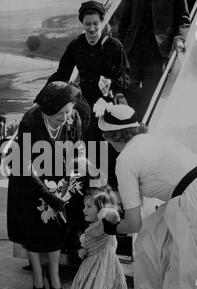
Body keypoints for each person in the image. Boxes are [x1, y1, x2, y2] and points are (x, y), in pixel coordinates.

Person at [95, 100, 197, 289]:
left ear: (112, 136)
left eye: (105, 136)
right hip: (192, 194)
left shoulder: (125, 159)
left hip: (192, 202)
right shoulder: (154, 138)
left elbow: (133, 223)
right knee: (152, 245)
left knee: (186, 284)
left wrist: (113, 226)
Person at [7, 81, 84, 289]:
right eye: (59, 114)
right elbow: (23, 162)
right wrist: (45, 193)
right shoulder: (31, 120)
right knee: (33, 228)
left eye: (67, 112)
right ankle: (38, 275)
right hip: (30, 181)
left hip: (60, 178)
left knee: (57, 227)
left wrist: (67, 184)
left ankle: (54, 274)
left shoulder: (73, 117)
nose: (65, 117)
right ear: (46, 112)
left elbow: (77, 151)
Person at [47, 0, 130, 187]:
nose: (92, 29)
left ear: (102, 22)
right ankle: (92, 198)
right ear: (82, 24)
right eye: (87, 24)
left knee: (111, 156)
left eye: (95, 23)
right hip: (86, 109)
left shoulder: (114, 46)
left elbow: (125, 78)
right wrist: (45, 94)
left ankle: (114, 197)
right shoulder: (76, 46)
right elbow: (62, 74)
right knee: (90, 155)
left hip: (108, 110)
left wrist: (112, 84)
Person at [117, 0, 190, 122]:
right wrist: (121, 46)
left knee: (151, 96)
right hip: (132, 51)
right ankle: (136, 124)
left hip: (157, 54)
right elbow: (124, 20)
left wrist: (179, 37)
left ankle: (143, 128)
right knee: (128, 89)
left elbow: (184, 20)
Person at [70, 186, 128, 289]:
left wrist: (106, 211)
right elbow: (89, 243)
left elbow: (113, 216)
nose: (84, 210)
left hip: (103, 270)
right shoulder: (92, 227)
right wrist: (83, 250)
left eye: (89, 206)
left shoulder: (106, 225)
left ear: (101, 208)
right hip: (91, 269)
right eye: (85, 206)